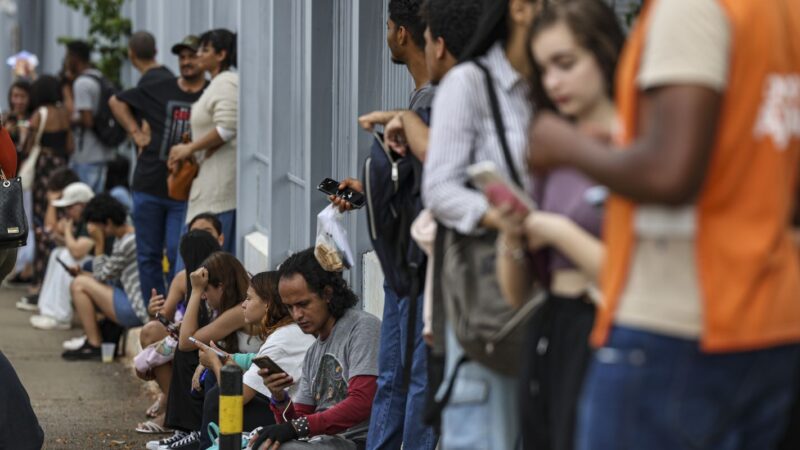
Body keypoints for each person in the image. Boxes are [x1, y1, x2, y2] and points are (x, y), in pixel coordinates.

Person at [527, 0, 800, 448]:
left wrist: (565, 145)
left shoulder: (689, 9)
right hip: (771, 318)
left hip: (682, 323)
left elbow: (671, 171)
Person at [494, 1, 623, 448]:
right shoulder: (550, 148)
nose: (553, 81)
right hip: (551, 324)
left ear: (604, 53)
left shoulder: (640, 148)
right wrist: (513, 234)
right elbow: (516, 293)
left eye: (565, 64)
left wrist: (554, 230)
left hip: (610, 332)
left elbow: (631, 274)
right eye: (544, 68)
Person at [420, 0, 542, 447]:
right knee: (488, 428)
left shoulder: (556, 84)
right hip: (493, 292)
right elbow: (440, 189)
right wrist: (502, 218)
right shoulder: (471, 82)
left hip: (557, 290)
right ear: (522, 9)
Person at [251, 248, 381, 450]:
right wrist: (279, 397)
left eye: (303, 304)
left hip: (358, 443)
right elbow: (300, 420)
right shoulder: (313, 352)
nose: (296, 315)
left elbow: (362, 402)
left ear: (327, 293)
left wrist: (295, 428)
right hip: (321, 443)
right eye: (289, 307)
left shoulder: (362, 327)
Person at [109, 34, 207, 301]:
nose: (186, 62)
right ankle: (154, 315)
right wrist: (135, 133)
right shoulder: (161, 87)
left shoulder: (210, 92)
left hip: (186, 190)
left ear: (204, 59)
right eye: (182, 57)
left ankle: (176, 312)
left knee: (179, 252)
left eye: (192, 56)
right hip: (149, 184)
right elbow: (116, 102)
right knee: (148, 254)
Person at [196, 271, 315, 449]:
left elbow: (237, 397)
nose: (243, 305)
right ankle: (208, 440)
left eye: (249, 298)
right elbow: (255, 363)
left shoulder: (281, 340)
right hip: (286, 408)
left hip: (291, 418)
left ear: (267, 303)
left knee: (216, 396)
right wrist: (223, 358)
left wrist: (214, 361)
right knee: (215, 377)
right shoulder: (286, 331)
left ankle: (209, 445)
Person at [153, 251, 255, 449]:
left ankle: (201, 435)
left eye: (206, 290)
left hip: (253, 387)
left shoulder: (238, 311)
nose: (204, 296)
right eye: (202, 291)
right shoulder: (230, 307)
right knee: (202, 367)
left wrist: (195, 290)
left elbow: (186, 341)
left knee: (193, 360)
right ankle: (196, 432)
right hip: (242, 374)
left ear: (222, 287)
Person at [134, 228, 221, 435]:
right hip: (192, 338)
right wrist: (153, 311)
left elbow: (216, 323)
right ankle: (173, 405)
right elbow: (164, 317)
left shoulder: (222, 277)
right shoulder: (185, 278)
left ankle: (177, 414)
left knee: (182, 348)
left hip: (214, 342)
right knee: (154, 334)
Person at [168, 29, 238, 255]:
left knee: (203, 263)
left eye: (205, 49)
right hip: (208, 188)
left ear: (221, 55)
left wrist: (189, 148)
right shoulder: (217, 83)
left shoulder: (226, 82)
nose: (198, 54)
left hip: (217, 193)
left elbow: (227, 128)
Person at [62, 194, 148, 360]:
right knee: (84, 275)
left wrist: (99, 243)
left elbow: (101, 276)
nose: (92, 231)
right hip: (131, 301)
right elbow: (110, 273)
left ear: (107, 223)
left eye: (95, 226)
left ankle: (95, 344)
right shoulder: (124, 237)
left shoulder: (127, 242)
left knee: (79, 284)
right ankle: (94, 339)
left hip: (136, 310)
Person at [29, 181, 96, 330]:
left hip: (97, 265)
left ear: (82, 204)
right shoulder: (80, 220)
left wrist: (66, 230)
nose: (66, 212)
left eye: (69, 207)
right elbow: (70, 243)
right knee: (57, 253)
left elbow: (78, 252)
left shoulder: (92, 219)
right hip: (89, 262)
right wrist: (54, 236)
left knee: (66, 256)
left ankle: (61, 316)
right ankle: (48, 310)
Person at [17, 168, 81, 311]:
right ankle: (46, 295)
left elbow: (50, 227)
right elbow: (51, 229)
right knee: (49, 243)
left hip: (77, 254)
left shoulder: (76, 205)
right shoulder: (69, 206)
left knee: (54, 248)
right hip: (70, 248)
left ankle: (51, 301)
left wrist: (52, 203)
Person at [25, 75, 74, 230]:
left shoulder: (39, 114)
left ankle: (42, 242)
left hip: (43, 165)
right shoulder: (64, 113)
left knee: (41, 208)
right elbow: (70, 146)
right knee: (59, 204)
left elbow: (28, 146)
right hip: (61, 164)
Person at [65, 40, 113, 193]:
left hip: (87, 156)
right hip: (103, 152)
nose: (66, 61)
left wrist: (69, 119)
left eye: (67, 57)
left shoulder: (82, 83)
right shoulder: (98, 77)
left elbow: (87, 119)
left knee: (84, 203)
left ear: (75, 58)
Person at [5, 79, 32, 150]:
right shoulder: (4, 118)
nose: (19, 101)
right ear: (10, 97)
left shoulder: (35, 118)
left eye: (23, 96)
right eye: (15, 96)